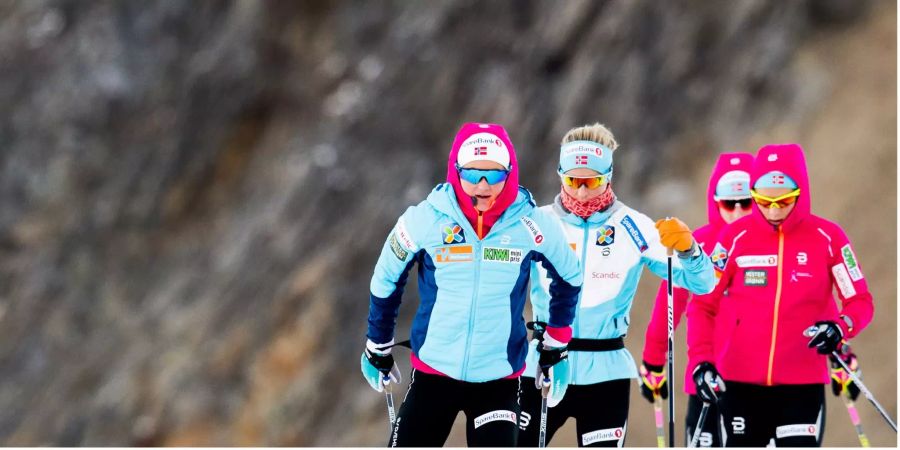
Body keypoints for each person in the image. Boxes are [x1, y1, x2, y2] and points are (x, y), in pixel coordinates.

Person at [361, 122, 583, 447]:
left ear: (509, 173)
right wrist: (377, 344)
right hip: (434, 373)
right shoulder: (426, 219)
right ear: (455, 171)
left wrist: (556, 344)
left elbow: (569, 276)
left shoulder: (530, 223)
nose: (482, 185)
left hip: (498, 379)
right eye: (471, 174)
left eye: (493, 175)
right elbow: (386, 278)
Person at [517, 123, 717, 447]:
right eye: (573, 181)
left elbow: (703, 283)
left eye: (592, 182)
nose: (582, 192)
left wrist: (689, 249)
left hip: (605, 373)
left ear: (608, 176)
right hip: (543, 365)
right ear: (560, 175)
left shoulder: (633, 227)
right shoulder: (537, 223)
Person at [687, 143, 874, 447]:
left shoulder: (829, 238)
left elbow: (860, 301)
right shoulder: (734, 238)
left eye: (784, 201)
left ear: (800, 194)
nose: (773, 211)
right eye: (763, 201)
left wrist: (840, 327)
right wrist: (701, 362)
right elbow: (703, 305)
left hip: (801, 387)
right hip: (740, 384)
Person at [639, 152, 755, 447]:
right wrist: (653, 364)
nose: (739, 211)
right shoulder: (696, 244)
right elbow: (668, 306)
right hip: (707, 376)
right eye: (730, 203)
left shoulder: (770, 245)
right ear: (716, 201)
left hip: (757, 378)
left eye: (747, 202)